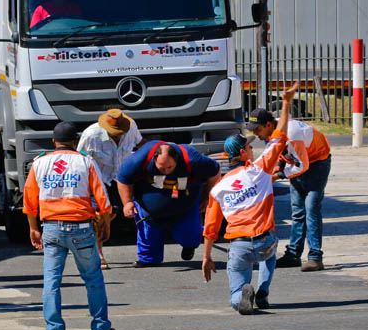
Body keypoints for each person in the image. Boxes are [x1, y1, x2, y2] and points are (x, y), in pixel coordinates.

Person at [202, 82, 299, 315]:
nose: (252, 148)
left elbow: (210, 228)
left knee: (236, 291)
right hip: (264, 241)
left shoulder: (218, 189)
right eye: (249, 146)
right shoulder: (260, 170)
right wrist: (285, 103)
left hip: (239, 245)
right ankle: (263, 289)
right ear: (243, 153)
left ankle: (242, 295)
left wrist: (206, 257)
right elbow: (280, 136)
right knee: (270, 251)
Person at [23, 121, 117, 330]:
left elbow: (29, 200)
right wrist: (105, 224)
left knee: (52, 282)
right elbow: (102, 199)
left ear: (53, 141)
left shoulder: (39, 163)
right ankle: (101, 328)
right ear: (75, 142)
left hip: (52, 228)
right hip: (82, 227)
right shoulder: (86, 161)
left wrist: (33, 228)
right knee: (93, 278)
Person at [117, 140, 220, 266]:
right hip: (148, 209)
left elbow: (215, 173)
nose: (165, 171)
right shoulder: (139, 159)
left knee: (190, 237)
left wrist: (207, 197)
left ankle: (189, 246)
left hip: (185, 205)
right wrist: (127, 202)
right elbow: (123, 179)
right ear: (154, 159)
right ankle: (149, 259)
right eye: (161, 167)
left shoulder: (194, 160)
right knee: (149, 233)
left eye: (169, 167)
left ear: (177, 159)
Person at [78, 109, 145, 269]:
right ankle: (99, 254)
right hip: (99, 181)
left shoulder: (131, 127)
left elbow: (141, 144)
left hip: (122, 178)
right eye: (114, 133)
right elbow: (80, 161)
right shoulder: (90, 136)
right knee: (99, 218)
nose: (118, 135)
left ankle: (146, 254)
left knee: (134, 211)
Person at [270, 118, 332, 272]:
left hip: (317, 162)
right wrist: (279, 165)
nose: (257, 135)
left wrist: (277, 176)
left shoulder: (293, 134)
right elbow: (280, 151)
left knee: (311, 208)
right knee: (298, 211)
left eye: (257, 130)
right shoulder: (271, 133)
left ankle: (315, 257)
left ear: (267, 125)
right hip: (297, 162)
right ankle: (293, 255)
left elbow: (303, 166)